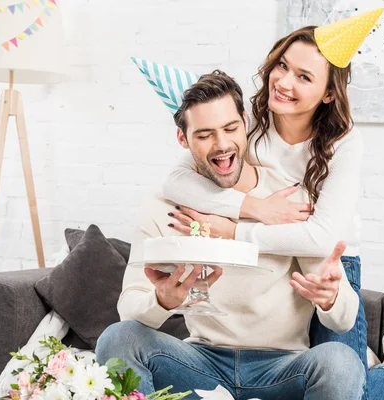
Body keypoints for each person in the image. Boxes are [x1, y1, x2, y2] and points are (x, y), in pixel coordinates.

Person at [160, 25, 384, 399]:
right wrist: (253, 207)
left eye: (304, 77)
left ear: (327, 94)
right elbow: (177, 182)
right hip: (271, 266)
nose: (284, 82)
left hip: (325, 265)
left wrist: (232, 231)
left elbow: (321, 237)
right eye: (283, 66)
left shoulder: (343, 142)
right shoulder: (250, 123)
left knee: (347, 389)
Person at [96, 70, 365, 399]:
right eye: (205, 134)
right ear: (183, 139)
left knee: (341, 361)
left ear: (245, 123)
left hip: (281, 368)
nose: (222, 145)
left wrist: (330, 297)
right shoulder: (162, 208)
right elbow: (130, 309)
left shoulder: (288, 201)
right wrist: (162, 301)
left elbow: (344, 318)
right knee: (117, 338)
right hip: (201, 363)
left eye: (230, 128)